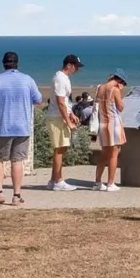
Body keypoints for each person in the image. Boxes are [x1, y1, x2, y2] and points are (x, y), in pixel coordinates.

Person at [0, 50, 43, 206]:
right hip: (22, 126)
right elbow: (38, 99)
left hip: (2, 126)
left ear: (4, 64)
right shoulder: (27, 79)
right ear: (17, 63)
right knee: (17, 161)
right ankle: (16, 195)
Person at [46, 53, 83, 191]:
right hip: (57, 118)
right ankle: (58, 181)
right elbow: (60, 102)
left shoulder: (64, 78)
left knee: (61, 148)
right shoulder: (60, 79)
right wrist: (68, 121)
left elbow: (65, 102)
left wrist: (71, 113)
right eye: (76, 67)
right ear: (69, 65)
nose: (77, 69)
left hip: (60, 116)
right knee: (59, 149)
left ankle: (53, 179)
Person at [94, 70, 128, 192]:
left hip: (103, 124)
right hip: (113, 124)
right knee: (114, 154)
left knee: (104, 154)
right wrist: (120, 92)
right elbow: (121, 107)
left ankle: (98, 182)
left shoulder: (100, 88)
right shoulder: (115, 90)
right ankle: (110, 183)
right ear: (120, 80)